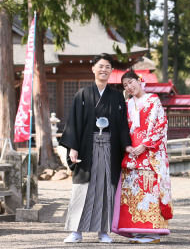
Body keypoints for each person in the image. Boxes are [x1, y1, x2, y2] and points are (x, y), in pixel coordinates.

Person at [60, 53, 132, 243]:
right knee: (83, 187)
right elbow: (73, 123)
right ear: (93, 69)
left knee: (106, 187)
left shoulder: (117, 97)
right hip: (86, 147)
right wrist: (72, 148)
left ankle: (104, 231)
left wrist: (127, 146)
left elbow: (123, 124)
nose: (104, 70)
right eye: (100, 66)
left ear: (111, 71)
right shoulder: (82, 94)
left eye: (108, 67)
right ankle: (76, 231)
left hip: (109, 147)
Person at [112, 70, 172, 244]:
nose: (129, 87)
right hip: (131, 154)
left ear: (139, 81)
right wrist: (128, 146)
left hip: (150, 154)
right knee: (133, 193)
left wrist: (144, 145)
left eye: (131, 82)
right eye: (125, 85)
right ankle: (137, 231)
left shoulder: (153, 100)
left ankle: (152, 233)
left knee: (149, 192)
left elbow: (160, 126)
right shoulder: (127, 104)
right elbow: (124, 128)